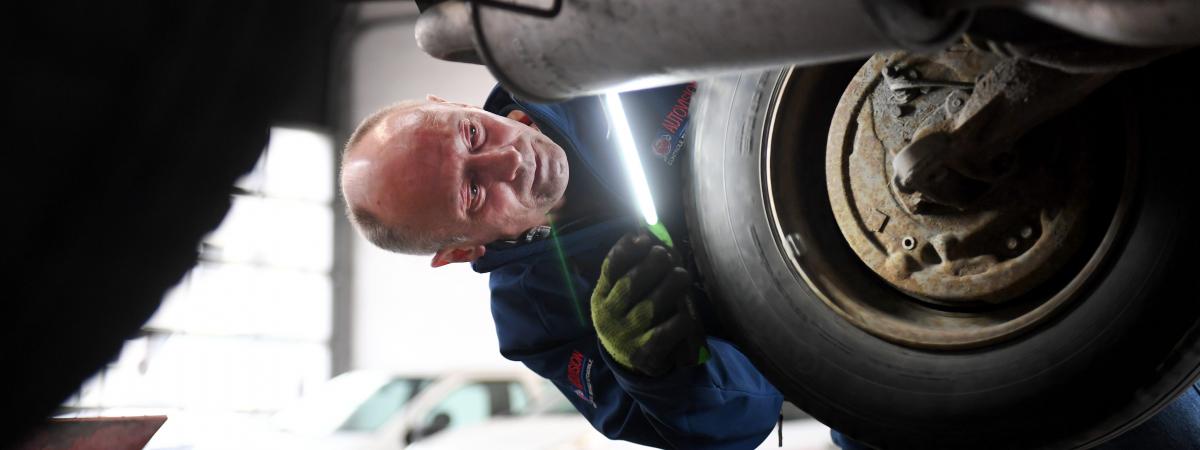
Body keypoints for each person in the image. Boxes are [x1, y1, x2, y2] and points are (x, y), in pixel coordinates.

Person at [339, 84, 1200, 449]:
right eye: (472, 194)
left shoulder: (593, 68)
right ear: (460, 252)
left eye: (472, 138)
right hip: (886, 385)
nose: (505, 164)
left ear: (453, 103)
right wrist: (664, 372)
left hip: (1039, 198)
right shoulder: (544, 323)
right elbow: (741, 422)